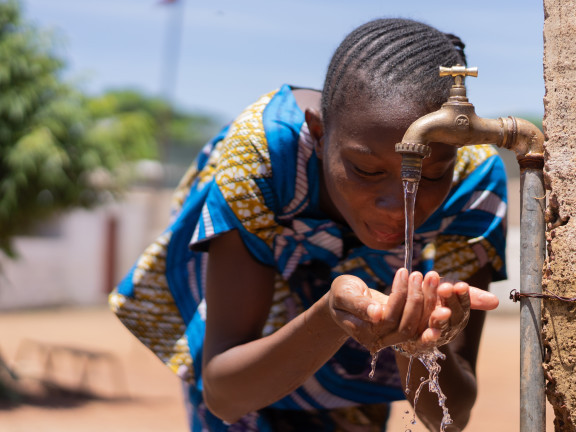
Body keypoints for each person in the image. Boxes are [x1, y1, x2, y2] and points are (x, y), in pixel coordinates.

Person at [110, 17, 508, 432]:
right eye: (366, 170)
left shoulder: (471, 182)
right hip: (253, 370)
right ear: (318, 133)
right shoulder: (264, 155)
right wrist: (332, 318)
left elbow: (451, 415)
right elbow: (225, 395)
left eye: (430, 176)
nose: (398, 208)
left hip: (352, 387)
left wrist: (416, 343)